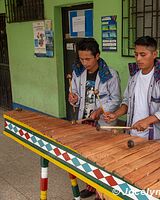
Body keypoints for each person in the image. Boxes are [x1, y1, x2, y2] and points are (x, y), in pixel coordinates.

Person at [68, 38, 121, 199]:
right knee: (86, 155)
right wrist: (73, 98)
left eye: (88, 59)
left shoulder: (110, 74)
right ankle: (90, 187)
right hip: (84, 121)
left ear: (97, 56)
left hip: (103, 121)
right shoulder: (78, 72)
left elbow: (116, 99)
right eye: (81, 59)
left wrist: (99, 111)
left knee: (102, 158)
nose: (84, 62)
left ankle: (101, 192)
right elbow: (75, 94)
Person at [104, 36, 160, 141]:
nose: (138, 58)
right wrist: (115, 114)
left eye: (143, 55)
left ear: (154, 54)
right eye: (136, 54)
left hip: (156, 139)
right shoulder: (134, 76)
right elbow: (127, 101)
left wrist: (146, 121)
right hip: (132, 134)